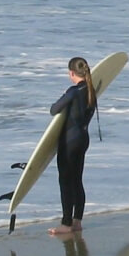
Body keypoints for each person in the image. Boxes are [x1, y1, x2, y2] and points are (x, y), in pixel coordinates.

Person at [48, 57, 96, 235]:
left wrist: (64, 95)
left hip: (69, 141)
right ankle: (77, 221)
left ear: (71, 73)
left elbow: (54, 109)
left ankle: (66, 224)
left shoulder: (74, 91)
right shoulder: (91, 90)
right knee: (77, 180)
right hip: (83, 139)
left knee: (65, 181)